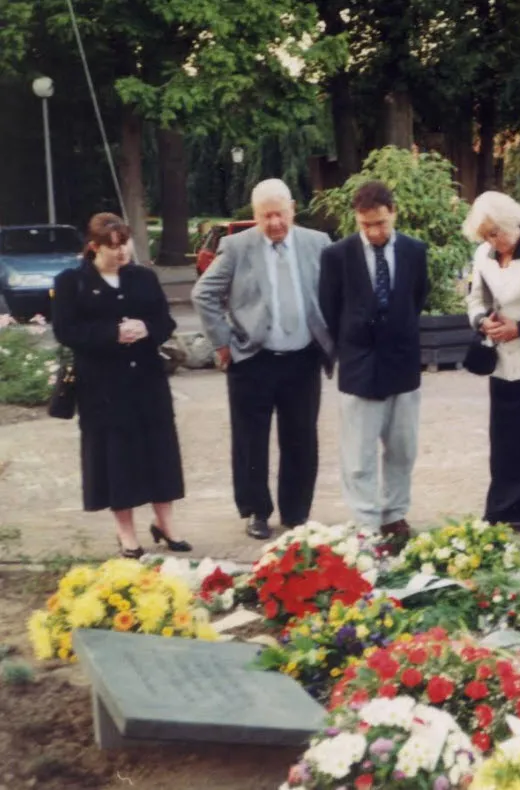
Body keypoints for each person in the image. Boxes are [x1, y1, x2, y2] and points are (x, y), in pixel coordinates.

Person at [193, 179, 333, 540]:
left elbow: (336, 293)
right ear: (255, 216)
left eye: (280, 214)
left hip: (302, 359)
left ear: (292, 210)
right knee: (250, 439)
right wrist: (222, 342)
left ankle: (296, 512)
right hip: (252, 359)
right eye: (265, 215)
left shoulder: (317, 244)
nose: (274, 223)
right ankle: (256, 511)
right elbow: (203, 293)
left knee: (301, 437)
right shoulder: (237, 247)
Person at [53, 213, 189, 558]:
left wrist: (147, 328)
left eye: (124, 244)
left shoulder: (143, 277)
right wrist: (112, 334)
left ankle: (165, 523)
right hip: (103, 387)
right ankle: (125, 532)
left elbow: (165, 319)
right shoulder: (73, 282)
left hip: (146, 381)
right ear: (94, 247)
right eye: (112, 247)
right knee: (117, 459)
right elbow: (66, 331)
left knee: (159, 453)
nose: (121, 253)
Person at [319, 181, 428, 539]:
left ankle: (394, 515)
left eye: (381, 223)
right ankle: (365, 522)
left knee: (402, 449)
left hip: (402, 363)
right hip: (359, 366)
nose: (375, 232)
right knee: (358, 454)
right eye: (366, 225)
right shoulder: (337, 255)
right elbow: (329, 307)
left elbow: (416, 298)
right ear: (356, 219)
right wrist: (352, 347)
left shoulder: (414, 251)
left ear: (393, 213)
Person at [463, 192, 520, 537]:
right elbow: (474, 298)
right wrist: (482, 321)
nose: (492, 241)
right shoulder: (483, 254)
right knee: (504, 440)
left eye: (495, 233)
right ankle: (503, 510)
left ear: (512, 223)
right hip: (500, 359)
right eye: (485, 235)